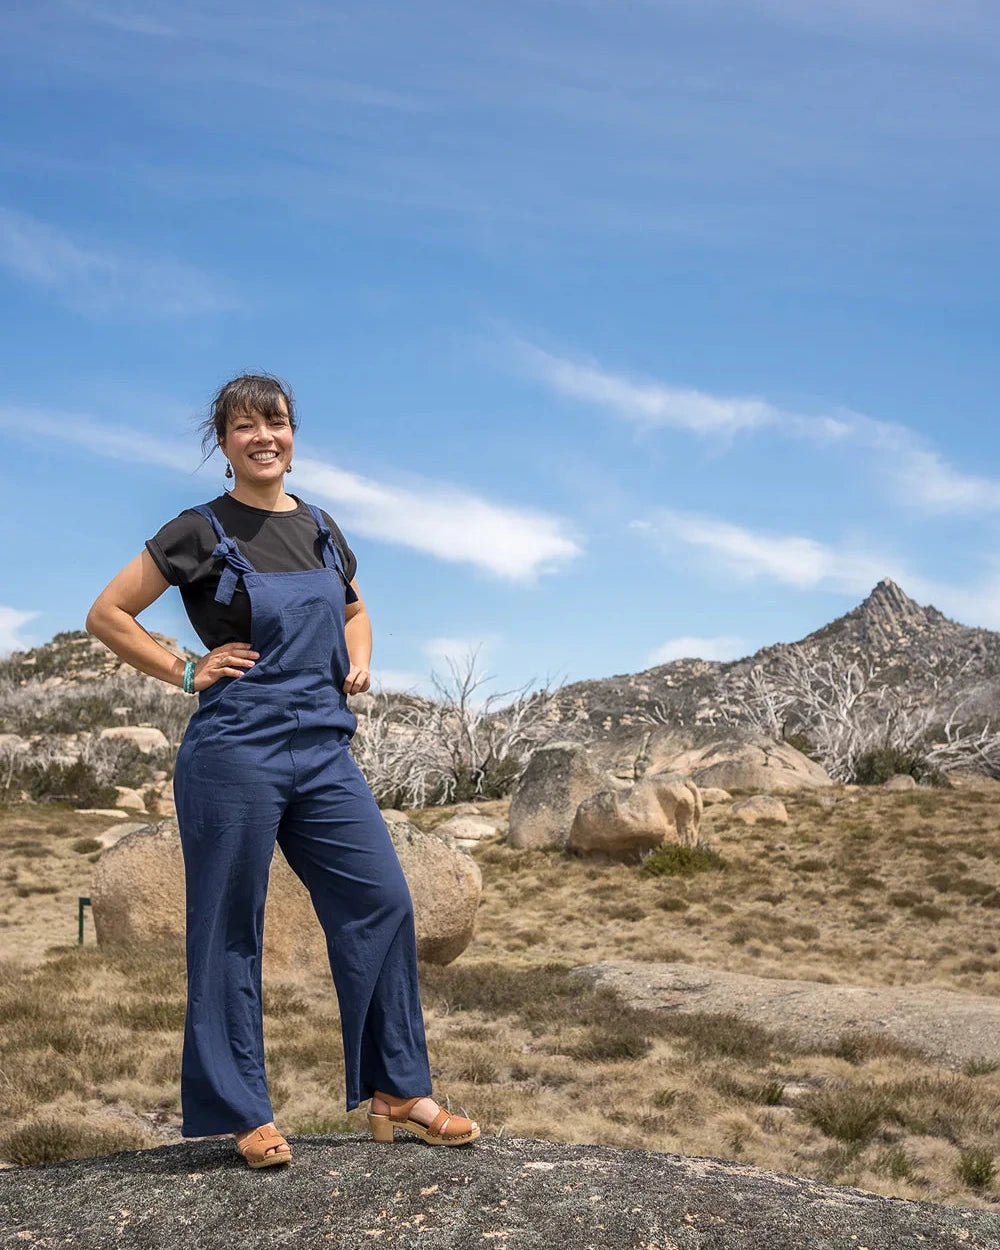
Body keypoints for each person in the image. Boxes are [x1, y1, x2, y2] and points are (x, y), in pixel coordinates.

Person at [85, 373, 480, 1168]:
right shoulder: (198, 530)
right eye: (244, 426)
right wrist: (184, 669)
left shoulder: (324, 527)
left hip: (324, 750)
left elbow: (355, 609)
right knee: (230, 928)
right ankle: (243, 1110)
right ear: (224, 443)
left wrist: (358, 664)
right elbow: (107, 614)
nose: (264, 436)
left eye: (277, 421)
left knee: (382, 901)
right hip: (236, 749)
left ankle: (398, 1089)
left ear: (292, 435)